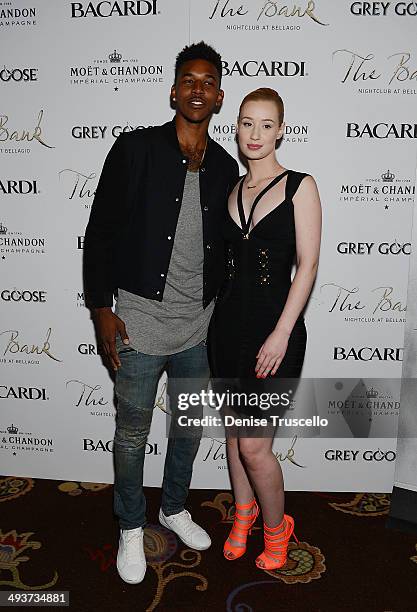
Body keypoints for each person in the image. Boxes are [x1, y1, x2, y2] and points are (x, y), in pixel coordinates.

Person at [83, 41, 239, 584]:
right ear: (174, 91)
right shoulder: (135, 150)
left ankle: (173, 507)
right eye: (188, 81)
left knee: (189, 429)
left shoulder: (224, 168)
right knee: (130, 436)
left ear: (219, 97)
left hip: (198, 327)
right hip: (140, 323)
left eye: (208, 82)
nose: (198, 89)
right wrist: (101, 308)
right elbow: (100, 232)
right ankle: (131, 525)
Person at [208, 88, 321, 570]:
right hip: (227, 330)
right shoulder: (230, 190)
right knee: (235, 436)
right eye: (246, 123)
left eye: (265, 124)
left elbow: (308, 266)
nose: (255, 134)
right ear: (236, 127)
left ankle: (278, 530)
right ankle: (244, 515)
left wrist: (281, 332)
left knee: (255, 445)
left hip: (275, 333)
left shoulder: (301, 186)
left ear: (281, 130)